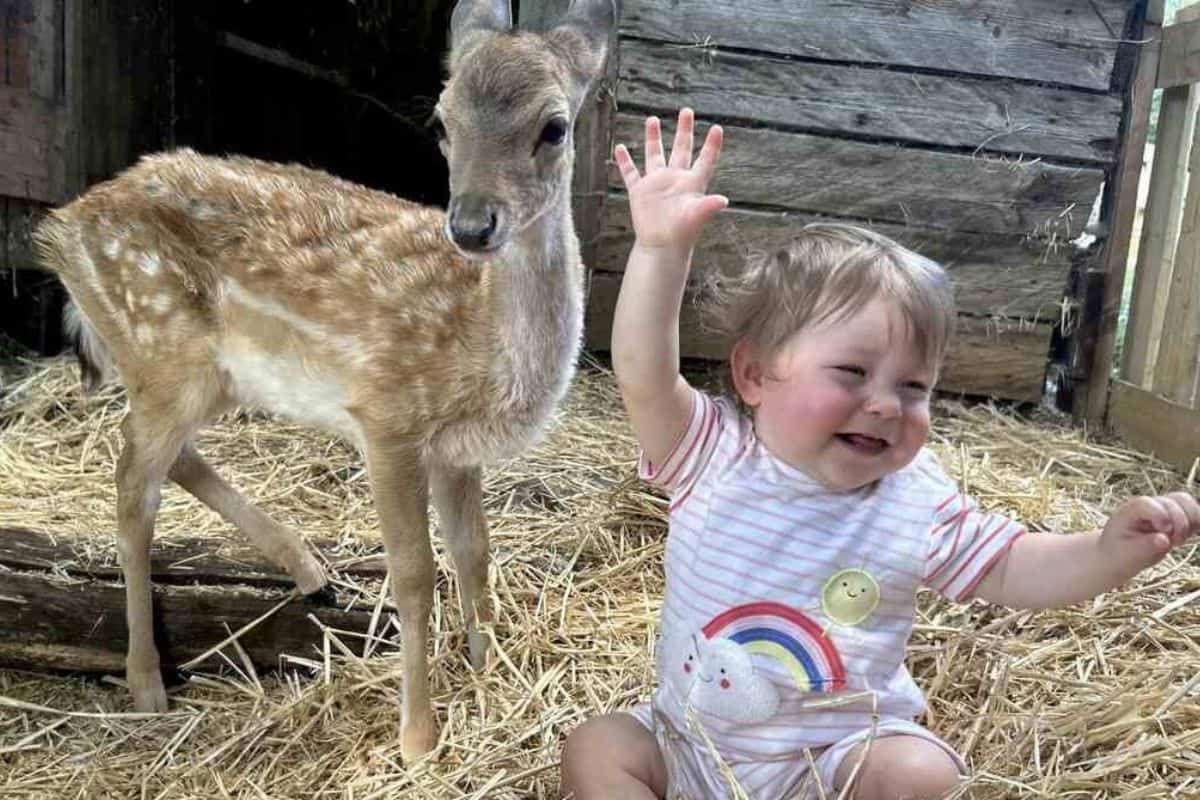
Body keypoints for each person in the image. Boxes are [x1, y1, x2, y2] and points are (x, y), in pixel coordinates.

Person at [560, 108, 1200, 800]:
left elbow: (1017, 569)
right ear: (754, 376)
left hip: (834, 762)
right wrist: (659, 250)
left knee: (924, 773)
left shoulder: (916, 502)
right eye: (852, 373)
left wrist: (1110, 551)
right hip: (689, 746)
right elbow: (641, 371)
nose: (888, 404)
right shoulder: (709, 454)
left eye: (914, 386)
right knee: (598, 747)